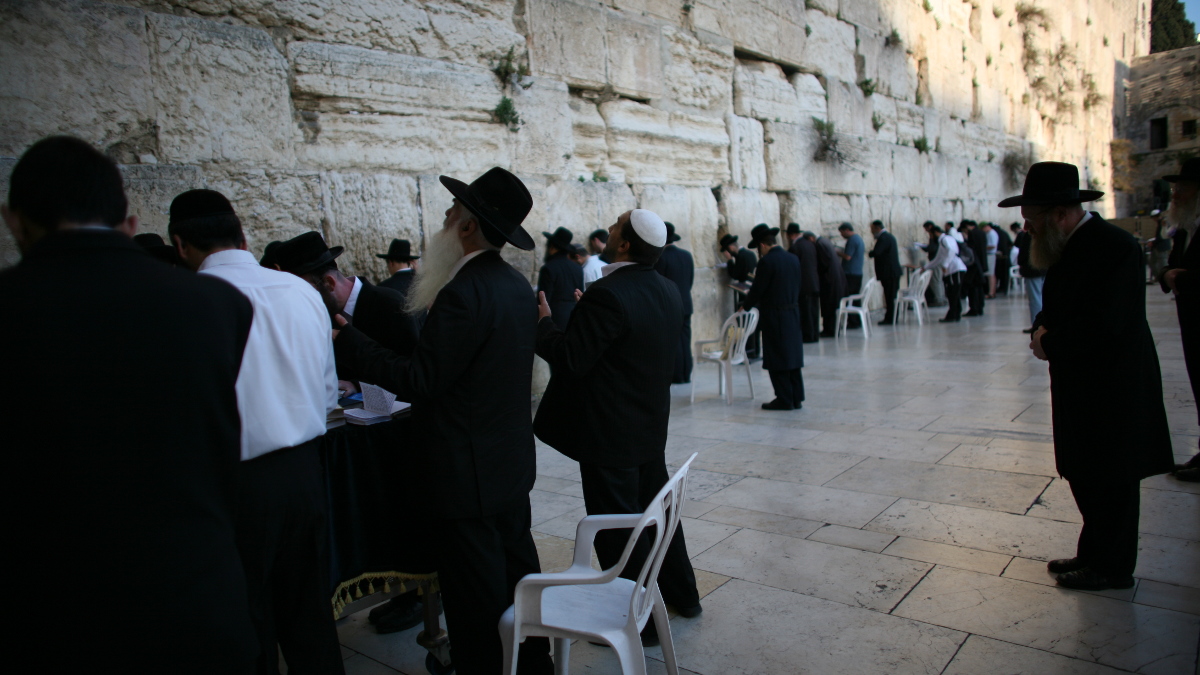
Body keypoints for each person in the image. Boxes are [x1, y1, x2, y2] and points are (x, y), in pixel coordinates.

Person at [1, 136, 258, 672]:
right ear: (130, 222)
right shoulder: (217, 304)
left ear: (15, 221)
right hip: (199, 604)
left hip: (52, 621)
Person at [331, 167, 553, 675]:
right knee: (517, 579)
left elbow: (421, 379)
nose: (445, 218)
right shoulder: (515, 285)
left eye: (453, 211)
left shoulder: (463, 292)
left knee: (475, 602)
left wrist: (353, 344)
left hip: (466, 479)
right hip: (508, 468)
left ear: (469, 227)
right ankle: (531, 663)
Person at [169, 189, 343, 675]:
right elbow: (328, 393)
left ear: (180, 245)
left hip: (237, 485)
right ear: (242, 234)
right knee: (309, 614)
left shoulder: (188, 302)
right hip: (306, 474)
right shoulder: (302, 292)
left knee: (248, 620)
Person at [534, 209, 702, 646]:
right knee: (660, 520)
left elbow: (572, 358)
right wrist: (589, 313)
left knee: (616, 529)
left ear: (625, 244)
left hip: (610, 436)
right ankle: (685, 596)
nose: (607, 231)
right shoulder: (664, 289)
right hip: (647, 430)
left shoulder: (609, 294)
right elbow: (627, 348)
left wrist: (545, 325)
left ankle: (635, 623)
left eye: (614, 228)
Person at [1003, 161, 1173, 591]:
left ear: (1060, 214)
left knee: (1112, 475)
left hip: (1113, 386)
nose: (1028, 230)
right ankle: (1093, 550)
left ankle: (1113, 567)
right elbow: (1055, 303)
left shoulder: (1115, 247)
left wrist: (1049, 343)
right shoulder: (1065, 245)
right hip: (1080, 383)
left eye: (1032, 220)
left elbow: (1107, 324)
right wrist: (1042, 328)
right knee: (1084, 469)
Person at [276, 231, 419, 386]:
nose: (302, 299)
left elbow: (411, 373)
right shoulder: (324, 313)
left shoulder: (389, 304)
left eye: (306, 290)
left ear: (329, 283)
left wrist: (357, 385)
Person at [1158, 157, 1200, 481]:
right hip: (1190, 316)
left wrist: (1179, 278)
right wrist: (1168, 274)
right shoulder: (1184, 226)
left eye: (1181, 188)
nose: (1174, 194)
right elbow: (1172, 264)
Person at [741, 224, 805, 410]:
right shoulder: (792, 258)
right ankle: (797, 397)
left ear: (762, 245)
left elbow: (757, 290)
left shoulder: (767, 262)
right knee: (792, 356)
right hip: (792, 312)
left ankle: (784, 399)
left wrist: (745, 306)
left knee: (777, 357)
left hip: (775, 315)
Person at [655, 222, 695, 384]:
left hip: (670, 305)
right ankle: (686, 373)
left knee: (674, 341)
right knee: (685, 339)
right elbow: (690, 280)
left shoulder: (661, 258)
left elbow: (659, 284)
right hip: (686, 303)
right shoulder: (687, 255)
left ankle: (677, 375)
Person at [911, 224, 966, 322]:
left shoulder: (945, 239)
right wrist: (926, 267)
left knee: (954, 292)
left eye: (931, 235)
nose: (931, 237)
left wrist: (945, 265)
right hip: (951, 270)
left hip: (955, 269)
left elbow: (951, 250)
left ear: (936, 233)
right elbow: (938, 258)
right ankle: (955, 313)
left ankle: (953, 314)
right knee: (952, 293)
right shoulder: (942, 241)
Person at [538, 226, 584, 330]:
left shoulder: (549, 268)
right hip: (572, 319)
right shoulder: (578, 268)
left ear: (552, 247)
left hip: (553, 319)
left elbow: (543, 299)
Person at [785, 223, 821, 343]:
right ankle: (814, 334)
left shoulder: (795, 248)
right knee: (814, 310)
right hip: (814, 282)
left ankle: (808, 336)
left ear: (790, 235)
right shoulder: (809, 244)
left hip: (804, 285)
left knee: (806, 311)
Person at [807, 231, 847, 337]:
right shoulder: (825, 241)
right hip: (835, 277)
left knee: (829, 304)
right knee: (831, 304)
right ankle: (831, 328)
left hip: (830, 278)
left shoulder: (820, 244)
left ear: (811, 238)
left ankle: (830, 329)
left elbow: (824, 262)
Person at [868, 220, 901, 325]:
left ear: (877, 228)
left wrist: (870, 253)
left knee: (890, 296)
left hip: (889, 273)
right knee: (891, 296)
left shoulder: (884, 238)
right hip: (891, 272)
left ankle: (891, 318)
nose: (872, 232)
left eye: (872, 229)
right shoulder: (889, 237)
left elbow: (877, 252)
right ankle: (892, 317)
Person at [961, 220, 988, 316]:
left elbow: (971, 250)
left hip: (974, 265)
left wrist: (966, 240)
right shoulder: (982, 233)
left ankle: (974, 309)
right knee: (979, 288)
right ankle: (980, 307)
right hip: (981, 263)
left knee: (973, 288)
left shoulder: (972, 234)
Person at [921, 221, 947, 307]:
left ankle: (939, 299)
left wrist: (923, 247)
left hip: (936, 261)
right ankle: (941, 298)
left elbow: (932, 248)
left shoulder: (935, 237)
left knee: (936, 281)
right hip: (938, 261)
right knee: (939, 280)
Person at [837, 223, 865, 295]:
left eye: (842, 232)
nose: (841, 235)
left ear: (847, 230)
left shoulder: (852, 240)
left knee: (848, 295)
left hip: (850, 273)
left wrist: (837, 252)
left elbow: (848, 257)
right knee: (855, 296)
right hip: (857, 272)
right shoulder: (858, 238)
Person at [993, 221, 1013, 295]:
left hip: (999, 258)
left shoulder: (995, 234)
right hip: (1006, 257)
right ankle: (1004, 288)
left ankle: (999, 288)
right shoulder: (1004, 233)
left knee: (998, 274)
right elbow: (1010, 244)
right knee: (1005, 275)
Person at [981, 221, 999, 298]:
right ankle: (991, 292)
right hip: (990, 255)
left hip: (990, 255)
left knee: (990, 274)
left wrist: (982, 248)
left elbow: (992, 246)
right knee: (991, 274)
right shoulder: (990, 233)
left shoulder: (991, 234)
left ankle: (991, 292)